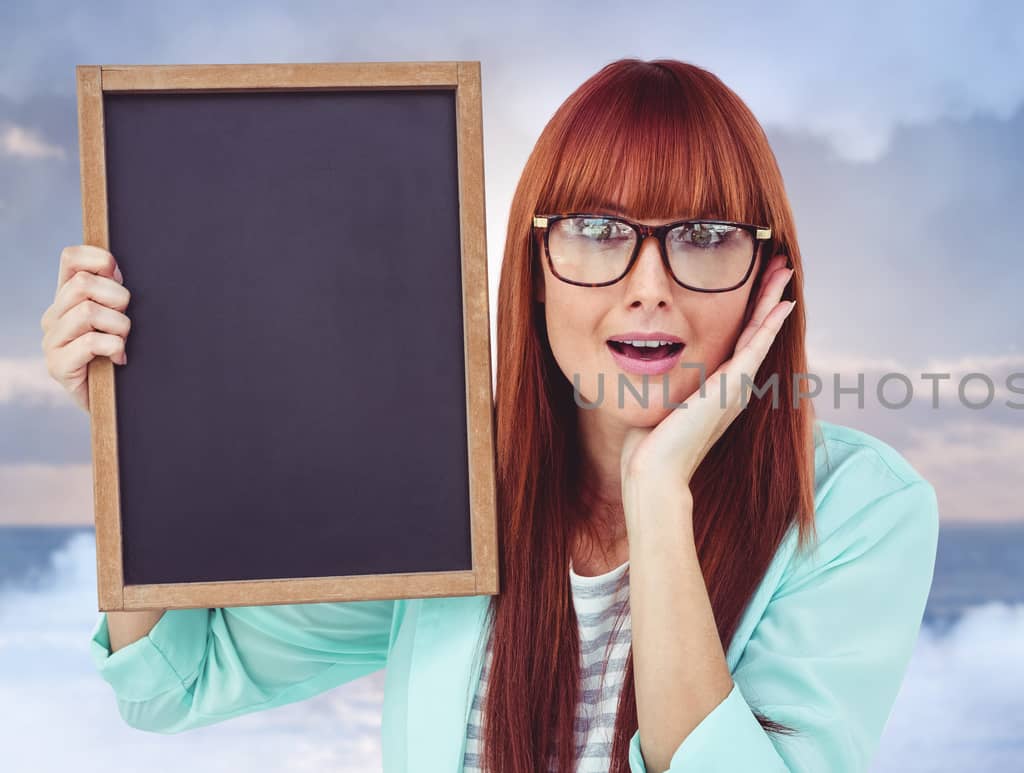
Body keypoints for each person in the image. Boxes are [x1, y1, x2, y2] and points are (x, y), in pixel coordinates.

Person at [42, 57, 939, 773]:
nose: (649, 288)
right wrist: (135, 417)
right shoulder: (455, 491)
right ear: (534, 270)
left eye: (705, 238)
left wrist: (658, 492)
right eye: (598, 230)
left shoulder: (859, 506)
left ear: (768, 277)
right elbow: (174, 683)